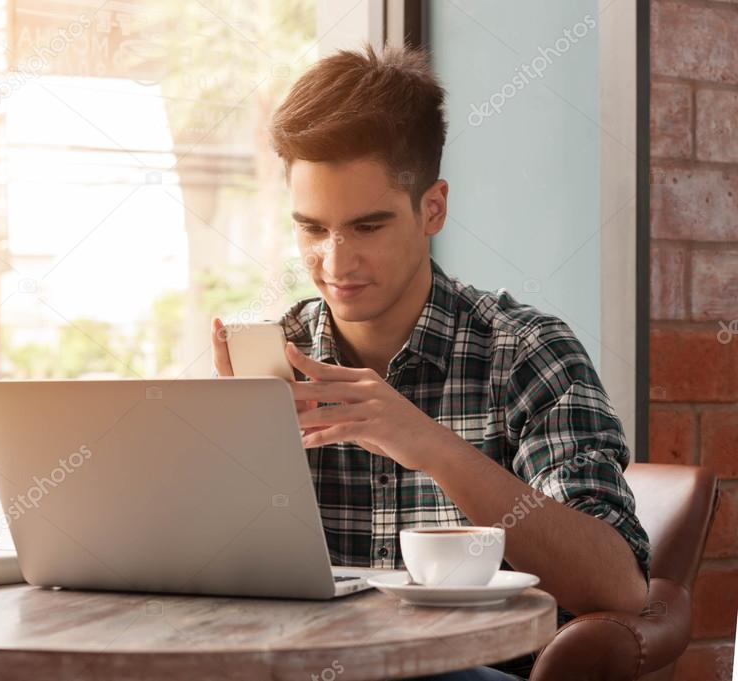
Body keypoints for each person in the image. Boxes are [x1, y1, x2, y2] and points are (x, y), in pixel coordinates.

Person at [210, 45, 650, 680]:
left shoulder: (526, 352)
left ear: (432, 209)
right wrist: (226, 458)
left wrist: (428, 445)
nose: (335, 264)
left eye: (367, 227)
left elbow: (617, 586)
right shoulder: (274, 357)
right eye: (311, 229)